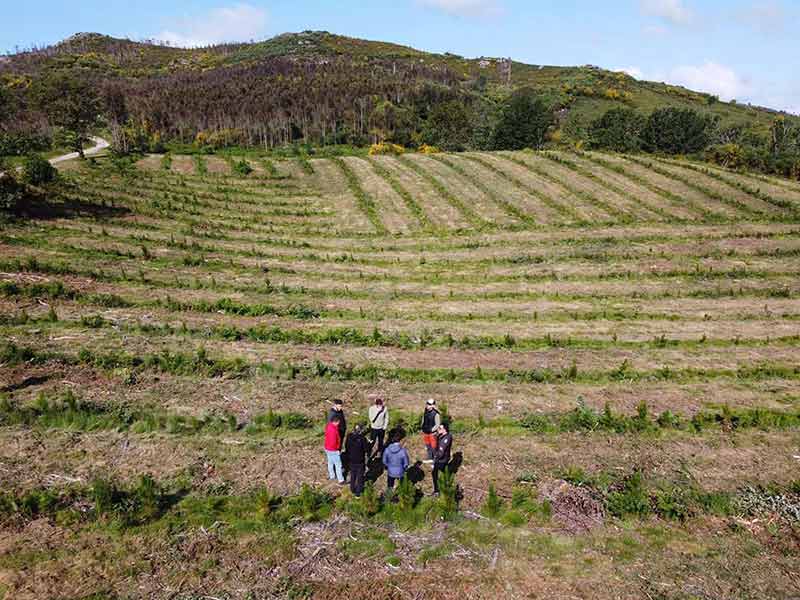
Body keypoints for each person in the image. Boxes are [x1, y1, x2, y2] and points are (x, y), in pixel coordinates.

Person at [344, 424, 369, 496]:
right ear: (360, 430)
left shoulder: (349, 437)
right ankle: (358, 493)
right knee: (360, 477)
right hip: (360, 461)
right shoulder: (362, 439)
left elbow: (346, 447)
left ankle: (352, 489)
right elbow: (366, 449)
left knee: (353, 475)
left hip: (351, 460)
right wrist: (368, 443)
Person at [432, 423, 453, 496]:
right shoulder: (441, 435)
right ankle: (446, 483)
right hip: (442, 458)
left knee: (435, 473)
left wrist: (434, 457)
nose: (438, 430)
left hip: (442, 459)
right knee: (443, 472)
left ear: (444, 429)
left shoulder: (447, 438)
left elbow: (441, 453)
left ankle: (437, 490)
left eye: (440, 428)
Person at [324, 416, 345, 484]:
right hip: (333, 450)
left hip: (327, 448)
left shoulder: (328, 426)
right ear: (336, 422)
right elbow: (334, 441)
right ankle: (341, 480)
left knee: (330, 463)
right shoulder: (334, 430)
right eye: (338, 422)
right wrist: (338, 448)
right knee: (338, 465)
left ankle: (332, 475)